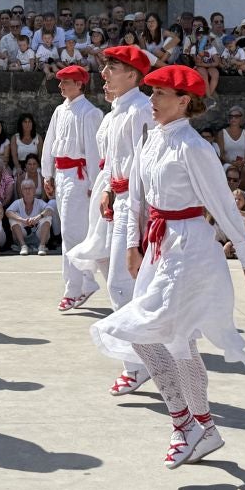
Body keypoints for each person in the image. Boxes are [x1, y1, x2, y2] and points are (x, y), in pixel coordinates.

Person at [90, 64, 245, 469]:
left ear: (184, 101)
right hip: (160, 245)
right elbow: (135, 195)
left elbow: (221, 203)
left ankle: (188, 424)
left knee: (142, 329)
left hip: (190, 248)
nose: (151, 101)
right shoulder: (152, 139)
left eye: (160, 95)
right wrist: (133, 244)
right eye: (151, 94)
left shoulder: (195, 148)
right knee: (170, 340)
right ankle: (200, 427)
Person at [96, 45, 156, 396]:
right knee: (125, 281)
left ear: (132, 75)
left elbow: (144, 167)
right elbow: (112, 162)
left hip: (137, 204)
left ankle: (139, 362)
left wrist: (137, 213)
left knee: (124, 283)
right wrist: (108, 190)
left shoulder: (139, 111)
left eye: (112, 68)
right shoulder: (116, 113)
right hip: (120, 199)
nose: (104, 74)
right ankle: (146, 358)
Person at [41, 64, 102, 309]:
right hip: (63, 174)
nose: (61, 86)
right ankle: (83, 281)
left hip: (79, 177)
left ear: (79, 84)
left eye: (66, 81)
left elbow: (94, 151)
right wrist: (48, 174)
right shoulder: (59, 110)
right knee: (69, 231)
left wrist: (93, 183)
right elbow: (49, 143)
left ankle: (76, 286)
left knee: (75, 233)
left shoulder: (90, 112)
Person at [6, 178, 54, 256]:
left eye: (30, 188)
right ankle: (23, 246)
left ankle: (42, 246)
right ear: (22, 191)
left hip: (39, 235)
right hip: (23, 235)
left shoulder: (39, 202)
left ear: (34, 190)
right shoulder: (17, 202)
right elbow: (8, 212)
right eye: (25, 188)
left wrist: (38, 217)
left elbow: (50, 210)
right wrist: (22, 220)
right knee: (13, 218)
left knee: (47, 217)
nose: (27, 191)